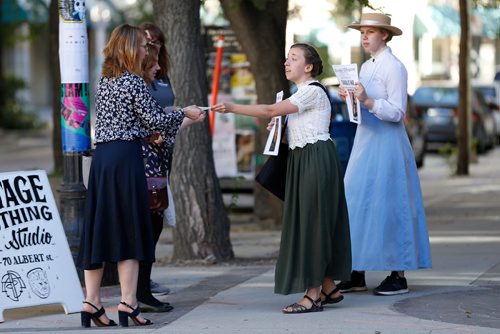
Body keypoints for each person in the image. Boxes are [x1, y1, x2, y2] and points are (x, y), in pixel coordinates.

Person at [77, 24, 202, 328]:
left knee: (99, 226)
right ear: (132, 48)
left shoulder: (105, 80)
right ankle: (128, 302)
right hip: (126, 157)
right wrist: (185, 112)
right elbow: (156, 120)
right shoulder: (133, 81)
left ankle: (91, 302)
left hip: (104, 159)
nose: (147, 51)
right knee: (130, 227)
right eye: (143, 46)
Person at [213, 43, 351, 314]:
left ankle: (313, 295)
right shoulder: (300, 94)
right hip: (303, 159)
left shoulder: (311, 91)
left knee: (312, 223)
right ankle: (328, 287)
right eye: (286, 58)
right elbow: (285, 120)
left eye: (294, 58)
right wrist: (280, 126)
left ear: (308, 67)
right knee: (308, 221)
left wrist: (232, 107)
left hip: (315, 159)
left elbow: (269, 110)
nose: (286, 62)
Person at [337, 12, 432, 296]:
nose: (365, 36)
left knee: (391, 203)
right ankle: (356, 270)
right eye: (362, 32)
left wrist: (366, 100)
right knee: (355, 201)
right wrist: (350, 100)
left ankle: (398, 273)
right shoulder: (365, 67)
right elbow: (361, 111)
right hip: (365, 141)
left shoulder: (395, 67)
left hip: (388, 144)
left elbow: (398, 112)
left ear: (385, 35)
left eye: (371, 32)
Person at [136, 29, 206, 313]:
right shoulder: (136, 89)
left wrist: (180, 115)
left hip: (157, 164)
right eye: (152, 63)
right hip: (144, 167)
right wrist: (185, 118)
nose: (158, 68)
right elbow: (156, 132)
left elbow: (162, 124)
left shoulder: (152, 84)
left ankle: (141, 289)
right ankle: (139, 292)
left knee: (153, 225)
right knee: (148, 226)